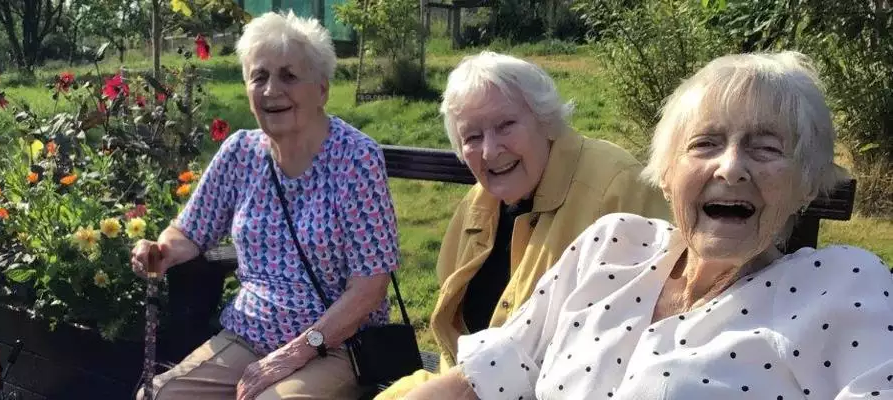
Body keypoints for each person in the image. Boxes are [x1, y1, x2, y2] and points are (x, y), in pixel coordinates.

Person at [403, 51, 893, 399]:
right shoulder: (612, 245)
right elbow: (487, 373)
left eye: (765, 148)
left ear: (807, 185)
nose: (730, 168)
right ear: (666, 175)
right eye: (705, 144)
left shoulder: (841, 286)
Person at [130, 11, 400, 400]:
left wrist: (292, 355)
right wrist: (161, 251)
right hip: (250, 333)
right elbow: (190, 230)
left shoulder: (356, 160)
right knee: (159, 396)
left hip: (336, 343)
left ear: (322, 89)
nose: (272, 90)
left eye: (289, 76)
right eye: (259, 76)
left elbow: (371, 286)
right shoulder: (241, 152)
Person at [376, 52, 670, 399]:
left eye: (505, 126)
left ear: (545, 121)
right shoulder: (479, 202)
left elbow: (652, 335)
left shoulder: (618, 187)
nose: (489, 151)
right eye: (471, 137)